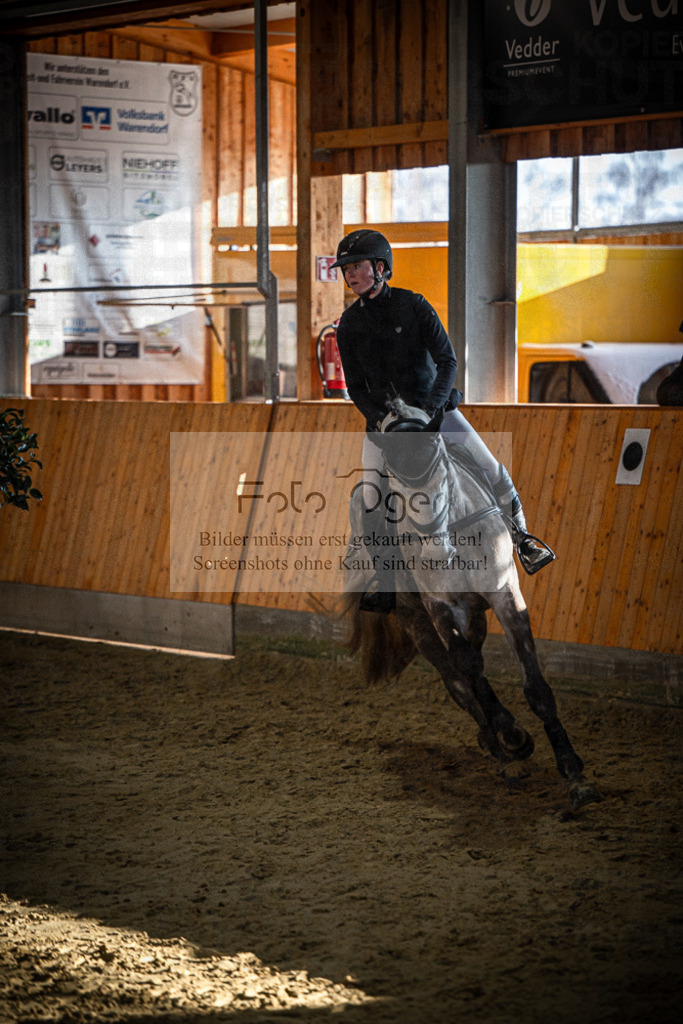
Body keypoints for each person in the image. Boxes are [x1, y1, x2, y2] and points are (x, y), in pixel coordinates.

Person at [331, 228, 554, 605]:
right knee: (367, 497)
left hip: (434, 413)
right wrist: (380, 419)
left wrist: (431, 410)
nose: (350, 274)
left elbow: (447, 360)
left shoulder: (414, 305)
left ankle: (523, 541)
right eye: (346, 269)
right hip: (386, 426)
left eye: (357, 266)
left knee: (491, 467)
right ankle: (383, 580)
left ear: (381, 268)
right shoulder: (349, 324)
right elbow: (355, 386)